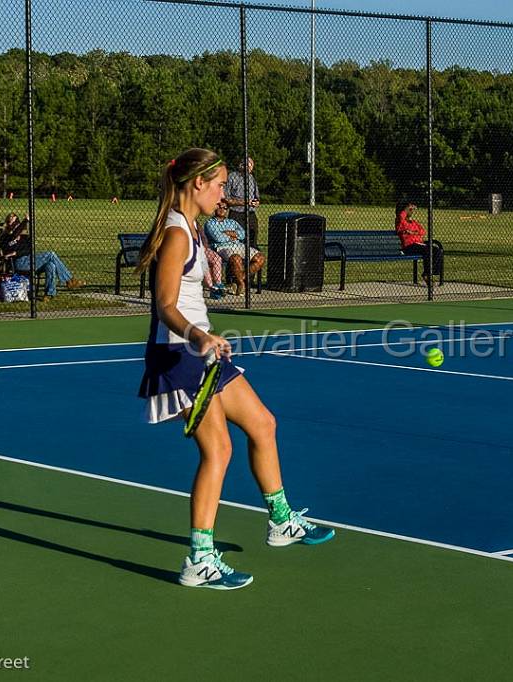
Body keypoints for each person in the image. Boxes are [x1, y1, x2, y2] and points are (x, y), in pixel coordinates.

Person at [135, 148, 333, 590]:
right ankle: (199, 559)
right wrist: (200, 336)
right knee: (218, 451)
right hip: (179, 355)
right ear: (198, 183)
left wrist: (204, 338)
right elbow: (164, 305)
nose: (226, 193)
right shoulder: (177, 235)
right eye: (221, 184)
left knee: (263, 423)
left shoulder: (190, 227)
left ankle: (281, 522)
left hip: (200, 351)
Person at [0, 213, 84, 300]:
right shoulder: (4, 236)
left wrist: (16, 253)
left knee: (50, 265)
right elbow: (12, 239)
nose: (15, 224)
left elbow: (29, 249)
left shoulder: (23, 236)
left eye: (17, 222)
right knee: (51, 254)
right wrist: (25, 221)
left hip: (29, 259)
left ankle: (49, 294)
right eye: (12, 222)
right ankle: (69, 280)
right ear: (7, 223)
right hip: (19, 263)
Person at [205, 201, 265, 296]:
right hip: (222, 247)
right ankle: (241, 283)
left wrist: (227, 233)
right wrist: (233, 235)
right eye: (220, 207)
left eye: (225, 208)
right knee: (236, 258)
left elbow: (243, 234)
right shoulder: (210, 223)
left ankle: (239, 279)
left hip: (239, 245)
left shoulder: (232, 222)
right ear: (215, 208)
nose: (222, 209)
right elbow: (218, 238)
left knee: (260, 257)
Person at [395, 201, 443, 285]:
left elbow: (422, 231)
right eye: (410, 209)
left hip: (419, 244)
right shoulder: (400, 221)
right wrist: (407, 207)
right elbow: (401, 216)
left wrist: (413, 233)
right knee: (428, 250)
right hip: (409, 246)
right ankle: (427, 275)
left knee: (437, 250)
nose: (412, 211)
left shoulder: (414, 222)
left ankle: (429, 273)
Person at [223, 157, 260, 246]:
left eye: (251, 165)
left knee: (252, 240)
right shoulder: (232, 177)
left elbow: (257, 197)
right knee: (236, 241)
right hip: (236, 213)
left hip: (250, 213)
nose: (249, 167)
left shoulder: (252, 178)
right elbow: (226, 199)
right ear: (241, 165)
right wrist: (245, 202)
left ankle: (252, 257)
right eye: (247, 164)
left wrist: (256, 202)